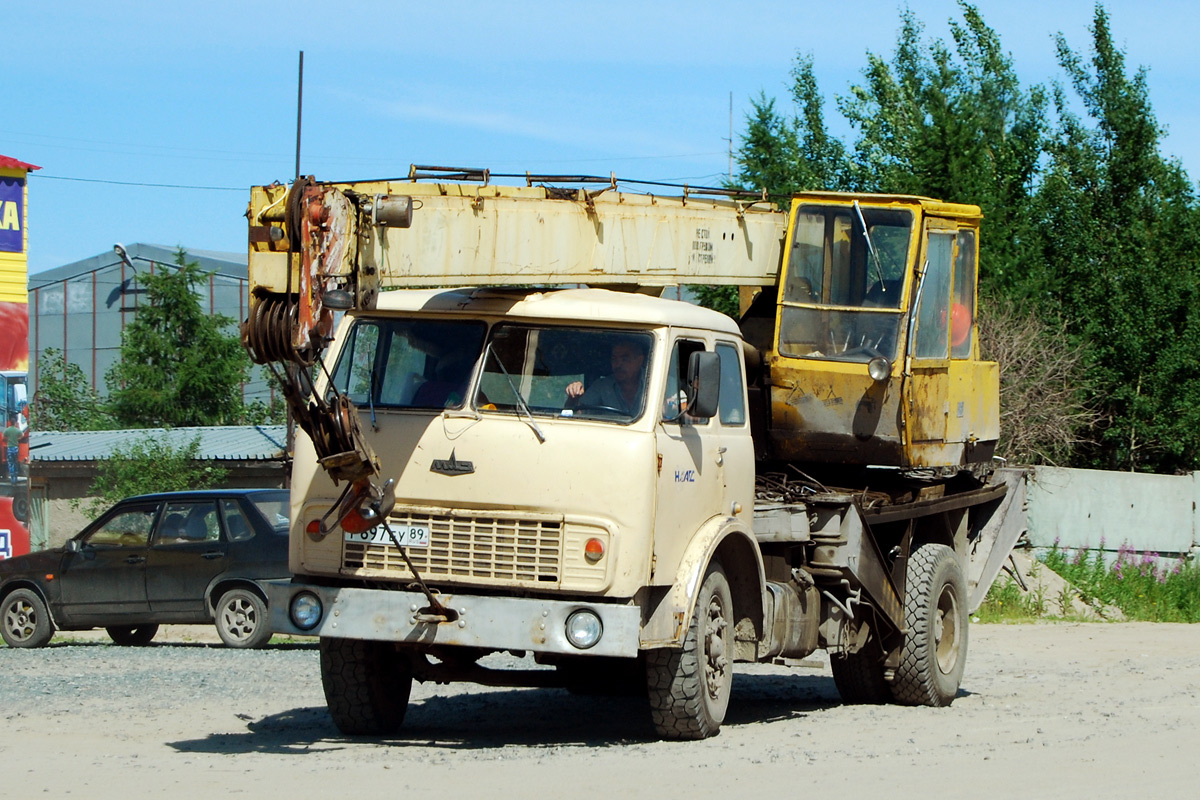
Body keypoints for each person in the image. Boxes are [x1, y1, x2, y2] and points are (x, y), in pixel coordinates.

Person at [564, 338, 647, 415]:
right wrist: (573, 397)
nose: (618, 365)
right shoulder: (602, 386)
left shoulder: (653, 383)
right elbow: (577, 414)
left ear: (639, 361)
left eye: (625, 359)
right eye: (614, 359)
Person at [4, 415, 20, 484]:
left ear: (10, 422)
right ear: (15, 423)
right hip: (16, 448)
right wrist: (17, 439)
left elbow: (4, 437)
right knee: (16, 462)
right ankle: (16, 478)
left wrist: (8, 439)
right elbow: (22, 435)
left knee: (10, 463)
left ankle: (12, 479)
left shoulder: (7, 430)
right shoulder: (17, 430)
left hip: (10, 448)